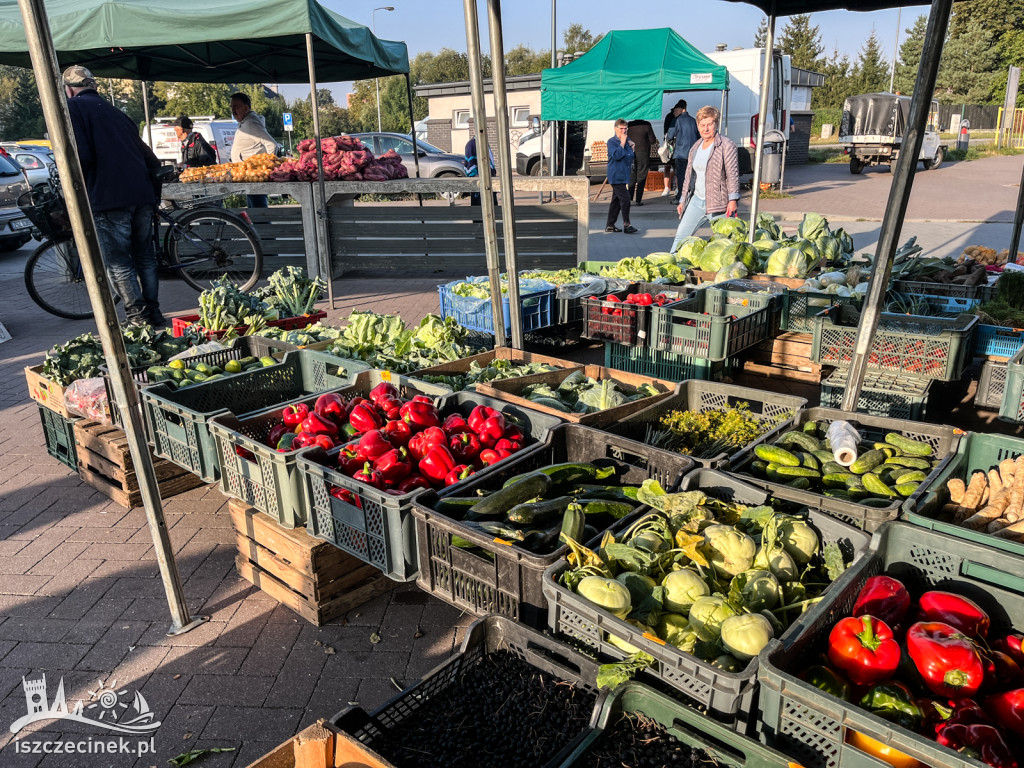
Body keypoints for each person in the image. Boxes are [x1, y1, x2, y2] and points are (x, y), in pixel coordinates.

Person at [63, 65, 164, 327]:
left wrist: (75, 190)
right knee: (145, 257)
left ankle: (137, 317)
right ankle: (153, 312)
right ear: (94, 86)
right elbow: (150, 158)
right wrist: (153, 198)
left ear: (69, 89)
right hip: (141, 194)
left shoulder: (73, 109)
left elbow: (81, 157)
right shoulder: (118, 113)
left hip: (109, 198)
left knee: (119, 261)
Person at [670, 106, 740, 253]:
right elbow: (689, 176)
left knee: (723, 245)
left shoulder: (726, 145)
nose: (705, 128)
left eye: (709, 124)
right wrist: (683, 200)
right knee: (680, 238)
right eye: (702, 125)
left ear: (716, 124)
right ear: (697, 126)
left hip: (718, 203)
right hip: (696, 201)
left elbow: (732, 174)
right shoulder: (695, 147)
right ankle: (671, 269)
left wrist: (733, 200)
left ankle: (723, 275)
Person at [229, 92, 280, 208]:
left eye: (236, 107)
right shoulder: (245, 122)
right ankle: (258, 225)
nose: (233, 110)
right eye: (231, 107)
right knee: (254, 208)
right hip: (247, 175)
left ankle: (262, 226)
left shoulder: (251, 123)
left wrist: (265, 167)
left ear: (246, 108)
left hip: (253, 175)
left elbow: (272, 144)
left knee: (258, 208)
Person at [605, 119, 637, 234]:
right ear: (615, 128)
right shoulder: (612, 142)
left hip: (624, 175)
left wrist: (631, 146)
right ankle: (627, 224)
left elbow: (630, 156)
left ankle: (610, 224)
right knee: (625, 199)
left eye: (625, 129)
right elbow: (617, 156)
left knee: (616, 201)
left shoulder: (628, 141)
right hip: (616, 175)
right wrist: (623, 143)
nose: (623, 131)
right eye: (621, 129)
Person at [665, 100, 700, 205]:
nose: (674, 113)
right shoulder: (694, 121)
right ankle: (692, 197)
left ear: (681, 110)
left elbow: (670, 136)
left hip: (681, 153)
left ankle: (680, 197)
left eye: (675, 110)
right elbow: (699, 136)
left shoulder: (677, 120)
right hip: (693, 153)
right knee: (692, 176)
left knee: (681, 177)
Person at [626, 119, 656, 206]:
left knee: (632, 175)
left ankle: (629, 199)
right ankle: (638, 200)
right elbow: (652, 140)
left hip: (630, 152)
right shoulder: (647, 125)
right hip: (643, 152)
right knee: (641, 175)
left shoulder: (630, 125)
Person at [464, 136, 496, 207]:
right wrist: (476, 177)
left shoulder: (485, 143)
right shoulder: (471, 144)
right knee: (479, 208)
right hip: (479, 182)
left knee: (492, 206)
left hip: (490, 180)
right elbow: (469, 164)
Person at [661, 107, 677, 197]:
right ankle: (677, 188)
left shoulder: (668, 116)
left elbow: (665, 132)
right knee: (676, 168)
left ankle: (666, 188)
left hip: (667, 145)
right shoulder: (676, 118)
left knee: (666, 166)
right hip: (675, 145)